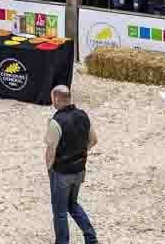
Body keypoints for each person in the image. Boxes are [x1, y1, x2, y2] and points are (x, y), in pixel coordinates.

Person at [44, 84, 98, 244]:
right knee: (73, 204)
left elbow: (50, 151)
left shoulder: (55, 122)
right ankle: (91, 237)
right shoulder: (83, 115)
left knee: (60, 212)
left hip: (61, 173)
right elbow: (94, 140)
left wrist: (49, 168)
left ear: (56, 98)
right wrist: (80, 152)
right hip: (79, 170)